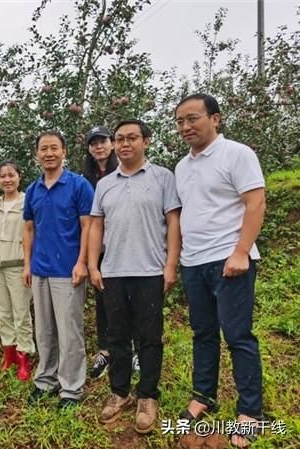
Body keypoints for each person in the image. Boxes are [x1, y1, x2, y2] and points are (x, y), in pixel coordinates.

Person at [174, 94, 266, 448]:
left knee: (238, 335)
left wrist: (241, 252)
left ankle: (250, 413)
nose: (186, 127)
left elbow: (255, 202)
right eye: (180, 121)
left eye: (192, 118)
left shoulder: (237, 154)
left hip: (230, 260)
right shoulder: (183, 166)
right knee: (203, 333)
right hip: (194, 263)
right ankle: (203, 396)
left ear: (215, 119)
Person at [88, 119, 181, 434]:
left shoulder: (162, 177)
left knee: (149, 336)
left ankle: (148, 395)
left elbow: (173, 223)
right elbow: (96, 226)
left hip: (150, 270)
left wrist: (171, 265)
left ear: (146, 141)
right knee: (116, 336)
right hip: (113, 271)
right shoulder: (105, 184)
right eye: (120, 139)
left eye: (132, 138)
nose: (125, 144)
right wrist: (92, 264)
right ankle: (120, 391)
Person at [23, 131, 94, 410]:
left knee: (70, 332)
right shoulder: (33, 190)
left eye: (54, 148)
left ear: (64, 151)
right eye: (44, 148)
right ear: (37, 154)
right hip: (40, 269)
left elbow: (89, 226)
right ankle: (46, 380)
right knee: (44, 330)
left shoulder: (78, 185)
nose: (49, 153)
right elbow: (28, 229)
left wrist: (82, 263)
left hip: (68, 270)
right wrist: (27, 264)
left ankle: (71, 389)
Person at [82, 126, 140, 379]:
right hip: (100, 249)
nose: (99, 147)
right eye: (93, 143)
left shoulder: (126, 171)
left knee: (133, 299)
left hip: (128, 245)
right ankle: (105, 349)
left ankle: (135, 349)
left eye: (103, 141)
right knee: (103, 300)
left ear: (113, 143)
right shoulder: (85, 180)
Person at [0, 160, 35, 381]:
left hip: (18, 265)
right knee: (2, 313)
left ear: (19, 177)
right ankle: (9, 354)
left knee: (21, 314)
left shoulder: (27, 202)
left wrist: (28, 265)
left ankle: (25, 357)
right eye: (3, 176)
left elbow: (31, 234)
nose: (7, 179)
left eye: (11, 175)